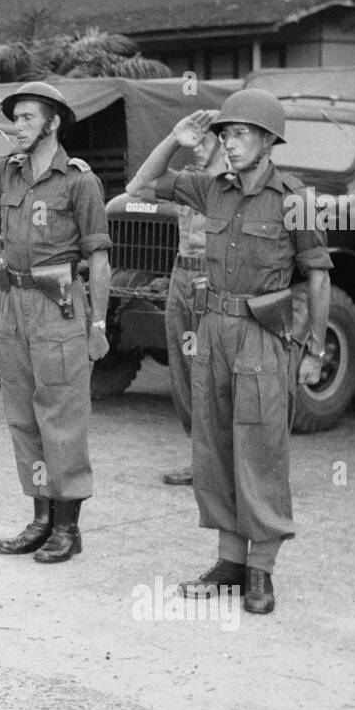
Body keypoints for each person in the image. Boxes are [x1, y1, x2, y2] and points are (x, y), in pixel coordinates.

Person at [132, 89, 332, 614]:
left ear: (268, 140)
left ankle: (261, 570)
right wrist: (173, 141)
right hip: (213, 328)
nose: (230, 142)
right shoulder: (210, 189)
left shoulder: (294, 198)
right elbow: (142, 184)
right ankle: (228, 562)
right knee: (215, 445)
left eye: (240, 133)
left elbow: (317, 275)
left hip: (263, 334)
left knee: (261, 447)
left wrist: (313, 347)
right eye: (225, 133)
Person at [0, 82, 112, 563]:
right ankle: (40, 519)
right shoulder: (7, 174)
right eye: (15, 118)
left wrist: (97, 325)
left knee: (61, 416)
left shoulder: (80, 182)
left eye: (28, 118)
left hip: (58, 307)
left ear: (53, 123)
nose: (18, 127)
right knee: (23, 417)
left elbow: (98, 260)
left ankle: (67, 528)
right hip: (13, 303)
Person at [125, 130, 226, 486]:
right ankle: (201, 455)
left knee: (209, 372)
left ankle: (217, 459)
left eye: (206, 142)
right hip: (182, 273)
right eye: (195, 142)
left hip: (212, 278)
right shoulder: (189, 181)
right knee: (182, 369)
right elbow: (137, 189)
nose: (198, 149)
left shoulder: (228, 183)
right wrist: (172, 140)